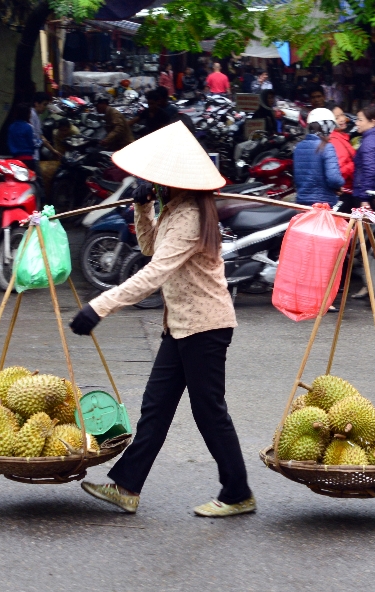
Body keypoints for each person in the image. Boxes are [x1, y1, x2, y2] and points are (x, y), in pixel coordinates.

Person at [70, 121, 254, 518]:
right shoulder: (176, 209)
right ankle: (126, 488)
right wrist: (143, 207)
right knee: (156, 406)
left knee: (209, 411)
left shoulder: (190, 216)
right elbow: (152, 247)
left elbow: (154, 274)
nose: (150, 182)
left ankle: (237, 492)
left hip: (205, 327)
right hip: (181, 325)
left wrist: (99, 306)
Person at [293, 108, 344, 207]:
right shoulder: (327, 147)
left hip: (302, 202)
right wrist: (339, 185)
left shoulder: (299, 146)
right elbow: (334, 179)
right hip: (322, 205)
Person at [329, 105, 356, 196]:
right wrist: (355, 163)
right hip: (345, 191)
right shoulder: (334, 140)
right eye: (337, 118)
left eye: (342, 115)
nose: (342, 119)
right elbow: (340, 172)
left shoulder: (341, 136)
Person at [29, 91, 50, 175]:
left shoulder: (37, 116)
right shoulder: (31, 115)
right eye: (44, 104)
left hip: (35, 154)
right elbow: (35, 137)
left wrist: (53, 150)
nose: (45, 107)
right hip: (31, 155)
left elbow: (40, 135)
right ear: (37, 103)